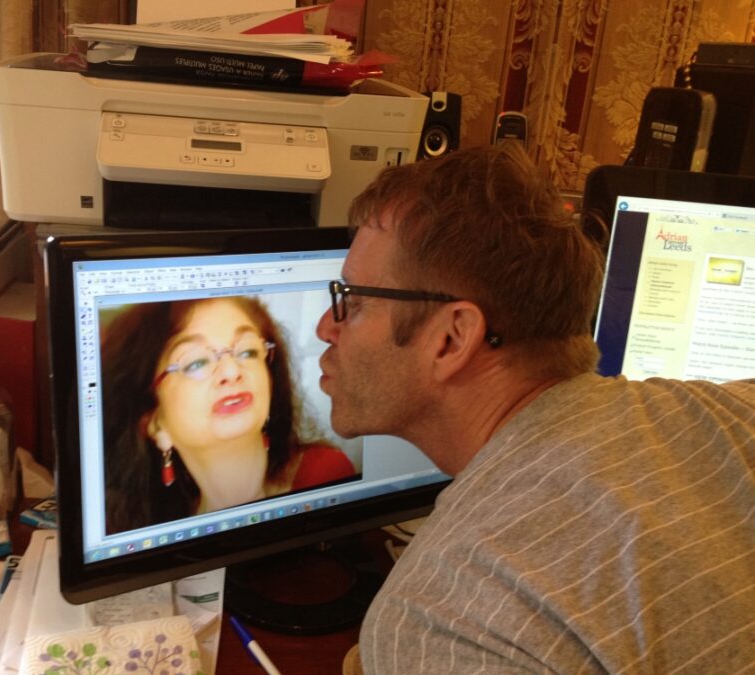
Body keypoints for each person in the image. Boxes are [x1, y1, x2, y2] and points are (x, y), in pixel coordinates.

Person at [315, 143, 755, 673]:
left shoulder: (440, 621)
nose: (326, 327)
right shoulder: (729, 412)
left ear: (452, 338)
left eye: (355, 302)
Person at [101, 295, 355, 533]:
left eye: (247, 352)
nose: (232, 371)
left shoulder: (323, 475)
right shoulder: (156, 526)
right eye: (197, 362)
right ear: (155, 423)